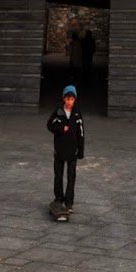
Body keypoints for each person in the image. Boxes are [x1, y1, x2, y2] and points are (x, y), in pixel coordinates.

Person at [47, 83, 84, 212]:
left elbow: (81, 132)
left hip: (72, 149)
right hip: (60, 149)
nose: (69, 101)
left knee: (71, 175)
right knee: (58, 174)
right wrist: (61, 128)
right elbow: (49, 125)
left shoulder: (77, 114)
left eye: (72, 99)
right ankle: (58, 198)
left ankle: (69, 202)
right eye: (67, 99)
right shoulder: (58, 112)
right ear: (64, 98)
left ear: (74, 100)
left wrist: (81, 149)